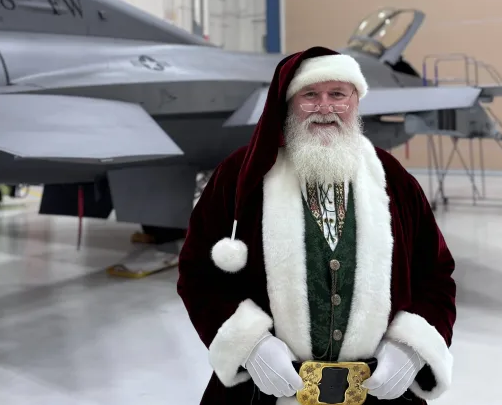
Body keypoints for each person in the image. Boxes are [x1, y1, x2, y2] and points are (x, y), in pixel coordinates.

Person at [177, 46, 456, 405]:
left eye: (338, 94)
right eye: (310, 95)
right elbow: (198, 272)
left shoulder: (393, 180)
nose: (325, 107)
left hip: (376, 391)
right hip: (264, 392)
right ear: (288, 103)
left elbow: (435, 274)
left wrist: (412, 347)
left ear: (356, 101)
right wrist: (250, 345)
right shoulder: (241, 175)